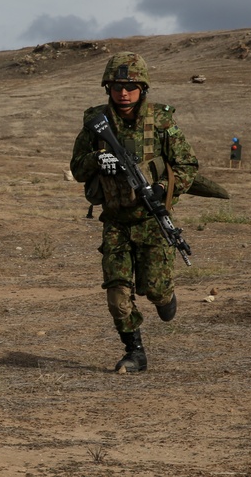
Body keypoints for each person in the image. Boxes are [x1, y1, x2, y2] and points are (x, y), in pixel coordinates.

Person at [69, 51, 198, 373]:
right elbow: (77, 168)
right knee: (117, 293)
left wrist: (162, 189)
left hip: (151, 220)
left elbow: (187, 165)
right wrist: (96, 161)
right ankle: (134, 352)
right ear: (107, 88)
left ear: (143, 88)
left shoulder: (162, 122)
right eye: (116, 87)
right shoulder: (96, 123)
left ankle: (165, 296)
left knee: (154, 287)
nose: (123, 93)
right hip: (115, 222)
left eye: (130, 87)